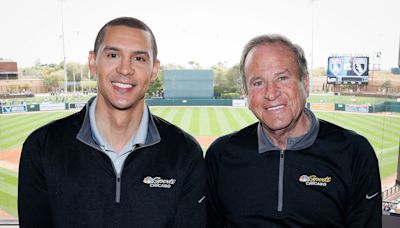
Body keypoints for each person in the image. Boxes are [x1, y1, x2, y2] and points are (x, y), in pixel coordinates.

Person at [18, 17, 206, 227]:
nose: (125, 69)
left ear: (154, 69)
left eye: (139, 59)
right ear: (92, 62)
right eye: (113, 55)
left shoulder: (185, 152)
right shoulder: (42, 147)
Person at [206, 34, 382, 227]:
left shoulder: (354, 153)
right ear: (247, 95)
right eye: (257, 83)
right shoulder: (221, 155)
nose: (271, 93)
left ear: (305, 84)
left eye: (282, 78)